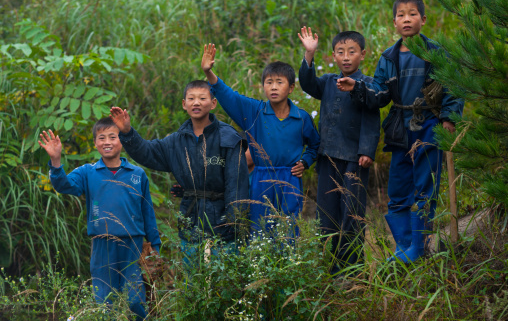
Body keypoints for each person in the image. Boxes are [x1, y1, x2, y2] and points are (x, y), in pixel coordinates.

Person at [337, 0, 464, 263]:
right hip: (399, 129)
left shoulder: (436, 52)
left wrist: (449, 119)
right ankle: (404, 247)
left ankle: (420, 246)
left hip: (428, 125)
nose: (407, 19)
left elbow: (453, 85)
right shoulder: (388, 57)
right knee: (397, 189)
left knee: (425, 187)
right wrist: (357, 87)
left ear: (423, 19)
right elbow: (380, 94)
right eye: (401, 15)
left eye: (413, 14)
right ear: (394, 22)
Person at [109, 80, 249, 266]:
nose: (196, 102)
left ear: (213, 103)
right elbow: (148, 152)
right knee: (193, 281)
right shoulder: (176, 141)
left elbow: (236, 185)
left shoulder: (228, 138)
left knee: (224, 283)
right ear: (184, 104)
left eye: (202, 98)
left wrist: (233, 224)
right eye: (191, 98)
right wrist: (127, 132)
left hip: (223, 227)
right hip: (190, 222)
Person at [39, 117, 161, 320]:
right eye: (101, 138)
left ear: (121, 140)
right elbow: (64, 185)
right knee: (104, 302)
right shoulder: (88, 172)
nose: (107, 142)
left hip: (133, 245)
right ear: (95, 143)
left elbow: (148, 213)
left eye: (113, 137)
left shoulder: (137, 174)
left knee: (135, 300)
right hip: (102, 245)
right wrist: (56, 161)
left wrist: (155, 247)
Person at [201, 44, 320, 235]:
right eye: (269, 82)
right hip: (261, 177)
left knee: (289, 231)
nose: (273, 87)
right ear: (263, 86)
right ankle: (259, 264)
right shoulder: (254, 111)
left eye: (279, 82)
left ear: (291, 88)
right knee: (260, 230)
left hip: (290, 177)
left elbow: (315, 145)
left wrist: (305, 162)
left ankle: (288, 264)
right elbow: (228, 95)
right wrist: (209, 73)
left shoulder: (302, 117)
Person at [298, 28, 380, 275]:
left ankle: (353, 268)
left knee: (351, 212)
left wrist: (367, 150)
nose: (346, 57)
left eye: (352, 52)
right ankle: (329, 265)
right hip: (327, 157)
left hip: (355, 160)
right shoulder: (328, 83)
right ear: (333, 55)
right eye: (341, 52)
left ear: (363, 54)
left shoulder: (368, 85)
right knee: (327, 211)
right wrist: (309, 53)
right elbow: (307, 83)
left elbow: (371, 118)